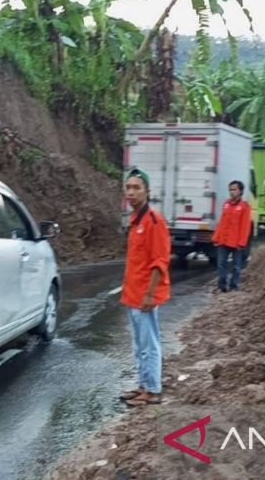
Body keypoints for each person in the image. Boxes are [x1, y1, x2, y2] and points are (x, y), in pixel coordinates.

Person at [119, 168, 171, 407]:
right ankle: (143, 385)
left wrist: (150, 294)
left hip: (145, 296)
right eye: (128, 188)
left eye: (136, 188)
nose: (131, 192)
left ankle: (153, 390)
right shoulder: (135, 220)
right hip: (133, 294)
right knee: (139, 345)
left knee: (149, 344)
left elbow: (159, 262)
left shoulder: (153, 221)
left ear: (147, 192)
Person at [212, 180, 252, 292]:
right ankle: (222, 286)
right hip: (223, 241)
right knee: (221, 265)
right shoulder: (226, 204)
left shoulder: (244, 207)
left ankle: (234, 286)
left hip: (236, 242)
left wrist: (242, 242)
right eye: (230, 189)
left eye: (234, 189)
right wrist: (216, 237)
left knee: (236, 266)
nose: (232, 192)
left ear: (240, 191)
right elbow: (222, 222)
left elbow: (245, 226)